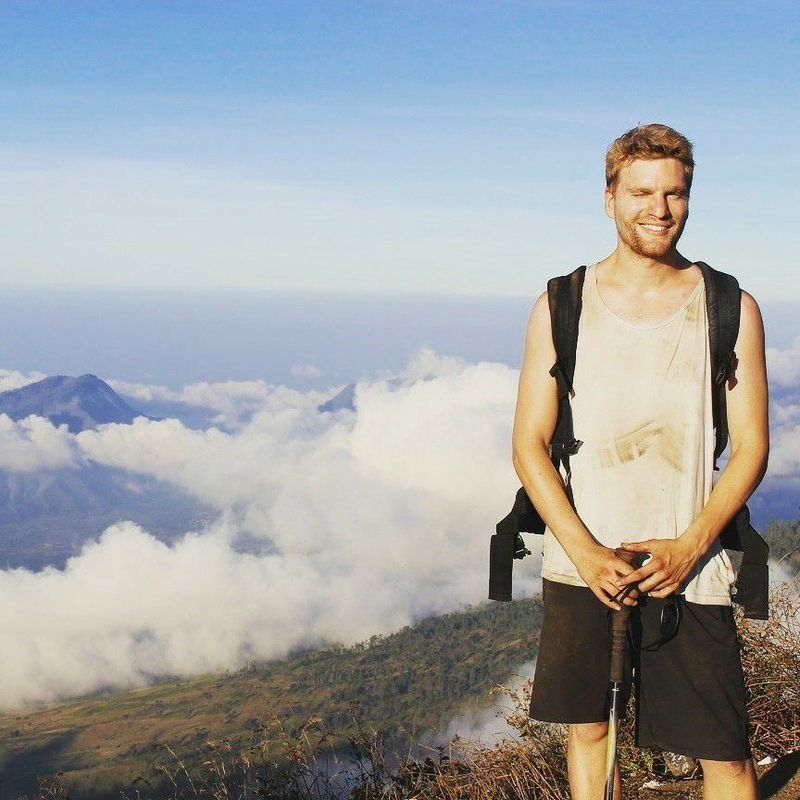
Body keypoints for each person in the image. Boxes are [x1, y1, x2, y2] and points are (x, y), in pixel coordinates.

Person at [511, 123, 768, 800]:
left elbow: (752, 446)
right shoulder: (562, 305)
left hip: (693, 563)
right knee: (591, 734)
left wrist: (689, 547)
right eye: (642, 192)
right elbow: (528, 444)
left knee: (725, 751)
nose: (660, 208)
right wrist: (587, 553)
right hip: (580, 562)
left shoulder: (729, 307)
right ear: (608, 198)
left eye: (675, 193)